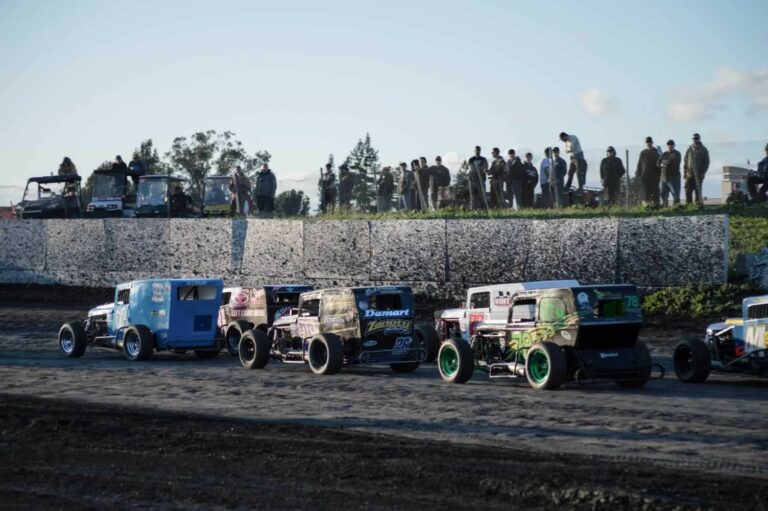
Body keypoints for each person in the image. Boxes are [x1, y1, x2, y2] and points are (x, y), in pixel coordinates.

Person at [684, 133, 710, 206]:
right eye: (694, 139)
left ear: (699, 139)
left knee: (697, 191)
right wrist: (685, 174)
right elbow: (685, 162)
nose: (695, 140)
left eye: (696, 138)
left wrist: (702, 173)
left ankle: (698, 206)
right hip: (689, 175)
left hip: (698, 175)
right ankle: (689, 206)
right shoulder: (689, 149)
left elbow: (706, 163)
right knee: (688, 191)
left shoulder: (703, 150)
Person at [636, 136, 661, 208]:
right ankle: (647, 207)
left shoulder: (657, 151)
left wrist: (659, 174)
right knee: (646, 193)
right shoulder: (643, 153)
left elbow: (660, 162)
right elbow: (639, 164)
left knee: (655, 192)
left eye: (650, 142)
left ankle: (657, 206)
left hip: (655, 176)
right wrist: (638, 174)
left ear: (652, 143)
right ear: (645, 143)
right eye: (647, 142)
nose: (648, 144)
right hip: (645, 177)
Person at [658, 140, 682, 207]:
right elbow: (657, 163)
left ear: (674, 145)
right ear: (667, 146)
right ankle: (664, 206)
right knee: (663, 193)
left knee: (675, 193)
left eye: (671, 145)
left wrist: (664, 162)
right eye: (668, 145)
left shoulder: (677, 153)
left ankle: (676, 207)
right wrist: (662, 164)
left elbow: (672, 160)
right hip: (664, 177)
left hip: (674, 177)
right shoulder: (664, 154)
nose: (670, 146)